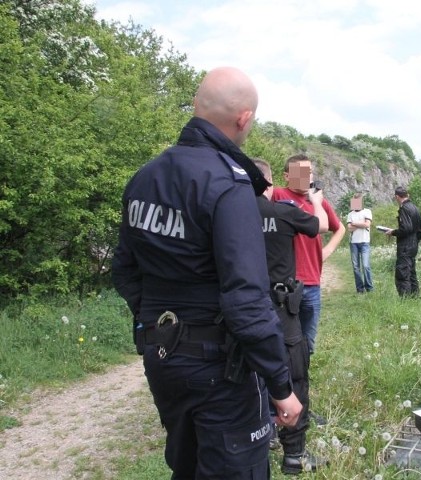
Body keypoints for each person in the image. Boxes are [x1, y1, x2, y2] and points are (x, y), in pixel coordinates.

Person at [111, 67, 302, 480]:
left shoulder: (146, 176)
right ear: (244, 118)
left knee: (187, 463)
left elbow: (124, 268)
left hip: (163, 356)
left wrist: (159, 320)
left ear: (197, 107)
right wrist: (281, 385)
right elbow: (246, 299)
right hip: (218, 367)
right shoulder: (228, 185)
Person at [254, 159, 329, 475]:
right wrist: (315, 202)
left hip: (241, 312)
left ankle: (258, 441)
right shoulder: (282, 211)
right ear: (270, 184)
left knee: (249, 378)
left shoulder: (224, 218)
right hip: (282, 312)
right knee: (294, 376)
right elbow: (320, 226)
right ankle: (294, 455)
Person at [272, 154, 346, 354]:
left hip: (312, 282)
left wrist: (326, 251)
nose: (307, 177)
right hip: (285, 282)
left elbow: (339, 228)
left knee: (308, 342)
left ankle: (301, 377)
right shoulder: (278, 195)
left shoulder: (318, 201)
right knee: (282, 339)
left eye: (310, 172)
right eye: (301, 172)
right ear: (287, 176)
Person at [385, 186, 421, 297]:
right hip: (413, 245)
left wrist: (393, 232)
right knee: (411, 271)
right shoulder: (415, 208)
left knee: (402, 272)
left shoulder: (404, 209)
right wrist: (416, 239)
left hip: (405, 246)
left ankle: (405, 299)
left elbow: (406, 228)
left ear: (397, 197)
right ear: (408, 195)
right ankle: (415, 296)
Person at [347, 193, 374, 293]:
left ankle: (369, 288)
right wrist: (361, 224)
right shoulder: (350, 214)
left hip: (364, 242)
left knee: (366, 266)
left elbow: (367, 224)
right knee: (356, 267)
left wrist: (354, 223)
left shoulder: (367, 211)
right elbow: (349, 228)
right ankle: (360, 289)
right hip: (353, 243)